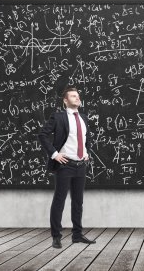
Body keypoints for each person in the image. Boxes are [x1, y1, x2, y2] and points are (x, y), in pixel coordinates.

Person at [38, 86, 96, 248]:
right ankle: (56, 236)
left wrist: (87, 152)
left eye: (78, 96)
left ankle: (77, 235)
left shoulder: (83, 118)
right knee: (59, 201)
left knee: (78, 202)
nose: (77, 98)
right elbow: (42, 135)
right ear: (65, 100)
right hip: (65, 165)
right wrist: (55, 154)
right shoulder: (58, 117)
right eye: (73, 96)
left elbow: (87, 138)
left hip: (80, 165)